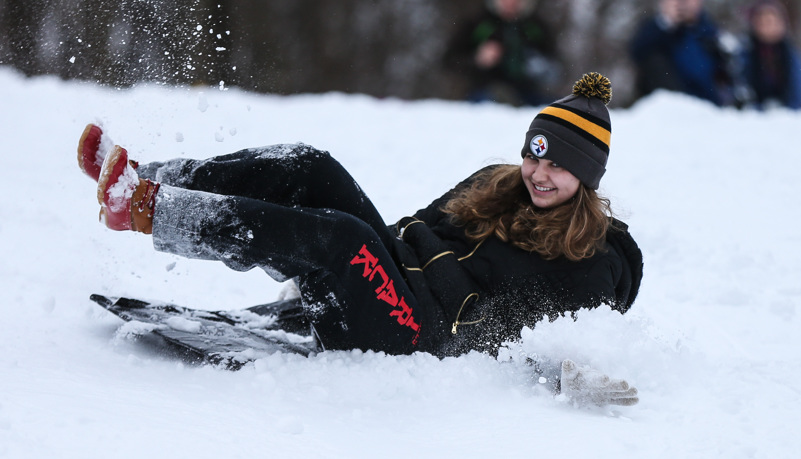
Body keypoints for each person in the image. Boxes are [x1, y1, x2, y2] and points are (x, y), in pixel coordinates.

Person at [79, 73, 642, 406]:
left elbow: (561, 337)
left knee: (345, 240)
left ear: (588, 177)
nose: (538, 175)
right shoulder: (494, 184)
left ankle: (150, 212)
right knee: (313, 167)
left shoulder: (589, 258)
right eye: (532, 155)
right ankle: (145, 178)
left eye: (558, 167)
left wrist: (573, 372)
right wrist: (341, 275)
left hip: (423, 335)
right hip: (394, 281)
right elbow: (410, 227)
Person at [444, 0, 561, 106]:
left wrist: (541, 66)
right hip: (485, 90)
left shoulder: (536, 26)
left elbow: (558, 65)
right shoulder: (478, 23)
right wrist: (477, 59)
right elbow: (450, 60)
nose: (510, 3)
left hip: (529, 92)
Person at [629, 0, 741, 106]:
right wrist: (667, 23)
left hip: (710, 107)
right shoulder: (654, 31)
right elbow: (639, 52)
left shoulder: (712, 34)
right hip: (671, 106)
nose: (683, 3)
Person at [741, 0, 801, 110]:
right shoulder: (744, 53)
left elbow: (796, 91)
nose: (767, 27)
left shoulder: (792, 56)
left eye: (771, 22)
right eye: (762, 22)